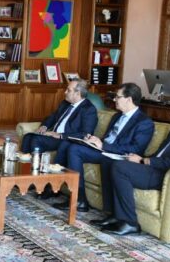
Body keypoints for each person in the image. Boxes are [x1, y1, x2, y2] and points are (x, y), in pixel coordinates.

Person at [97, 95, 170, 236]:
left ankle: (130, 223)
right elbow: (161, 153)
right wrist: (141, 159)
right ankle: (115, 215)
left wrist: (147, 161)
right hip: (157, 168)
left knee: (120, 168)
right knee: (109, 161)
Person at [51, 83, 154, 213]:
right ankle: (79, 199)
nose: (114, 99)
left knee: (83, 152)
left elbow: (135, 149)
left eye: (118, 97)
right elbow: (109, 138)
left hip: (118, 156)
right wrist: (93, 140)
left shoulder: (144, 122)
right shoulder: (116, 116)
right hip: (103, 150)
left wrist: (103, 145)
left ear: (129, 99)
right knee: (73, 147)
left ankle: (105, 210)